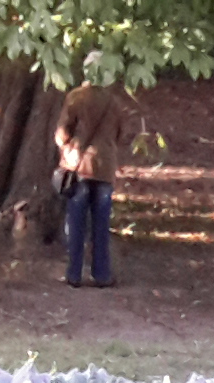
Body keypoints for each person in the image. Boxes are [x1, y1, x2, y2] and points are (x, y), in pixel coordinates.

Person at [54, 83, 137, 289]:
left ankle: (74, 274)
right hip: (105, 168)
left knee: (76, 223)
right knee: (101, 225)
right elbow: (121, 134)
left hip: (81, 167)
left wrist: (68, 146)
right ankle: (101, 274)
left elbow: (62, 134)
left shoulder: (76, 98)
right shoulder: (115, 102)